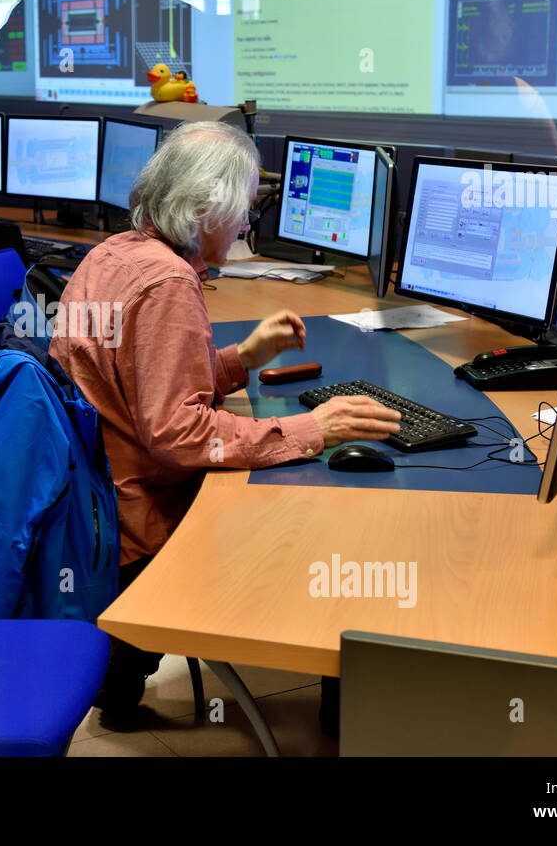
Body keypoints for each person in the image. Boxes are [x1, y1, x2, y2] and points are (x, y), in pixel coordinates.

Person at [49, 121, 402, 715]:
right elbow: (179, 435)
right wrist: (314, 430)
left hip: (91, 499)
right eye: (240, 211)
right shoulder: (166, 283)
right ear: (204, 208)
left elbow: (142, 382)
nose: (245, 225)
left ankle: (120, 664)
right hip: (136, 518)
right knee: (327, 513)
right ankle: (335, 692)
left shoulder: (118, 253)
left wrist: (243, 360)